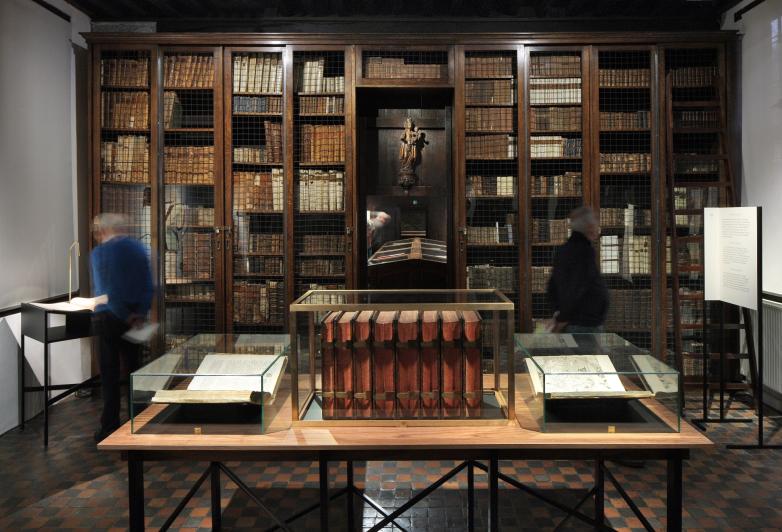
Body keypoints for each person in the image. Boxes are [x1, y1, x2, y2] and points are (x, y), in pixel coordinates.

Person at [90, 213, 153, 442]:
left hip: (109, 318)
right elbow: (149, 285)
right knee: (134, 370)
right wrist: (139, 314)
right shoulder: (138, 248)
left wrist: (124, 315)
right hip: (136, 318)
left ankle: (109, 426)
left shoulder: (100, 253)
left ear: (103, 230)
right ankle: (139, 420)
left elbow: (108, 290)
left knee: (110, 374)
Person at [546, 206, 608, 333]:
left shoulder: (564, 249)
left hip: (577, 320)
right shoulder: (583, 251)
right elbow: (575, 287)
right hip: (583, 322)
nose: (597, 229)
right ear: (589, 227)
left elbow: (553, 285)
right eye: (596, 224)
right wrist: (563, 318)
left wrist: (558, 313)